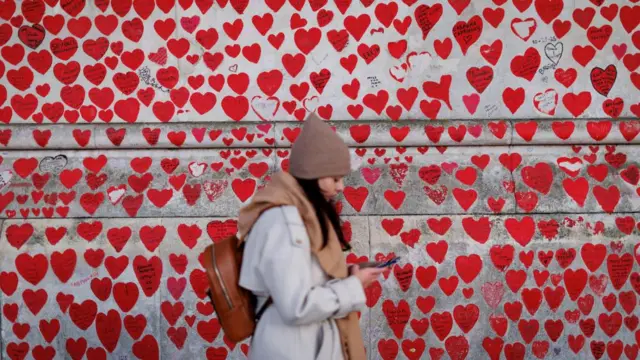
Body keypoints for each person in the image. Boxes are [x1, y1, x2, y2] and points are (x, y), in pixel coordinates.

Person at [237, 113, 386, 359]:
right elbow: (296, 305)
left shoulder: (295, 215)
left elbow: (300, 278)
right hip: (294, 349)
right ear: (314, 174)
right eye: (335, 178)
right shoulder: (286, 222)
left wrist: (347, 275)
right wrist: (353, 286)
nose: (341, 188)